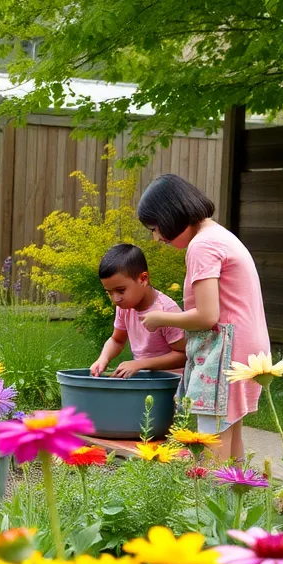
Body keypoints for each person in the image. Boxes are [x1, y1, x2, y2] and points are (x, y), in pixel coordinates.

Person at [135, 174, 270, 461]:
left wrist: (161, 318)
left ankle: (210, 502)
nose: (156, 238)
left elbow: (208, 316)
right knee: (230, 433)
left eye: (156, 228)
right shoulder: (219, 235)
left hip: (226, 349)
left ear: (171, 215)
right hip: (246, 344)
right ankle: (236, 500)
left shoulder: (202, 246)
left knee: (210, 439)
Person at [88, 243, 187, 378]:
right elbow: (117, 340)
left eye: (121, 290)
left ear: (143, 279)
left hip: (170, 386)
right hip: (143, 382)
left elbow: (184, 355)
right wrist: (103, 358)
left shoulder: (166, 311)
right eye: (110, 292)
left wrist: (140, 364)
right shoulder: (125, 307)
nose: (116, 299)